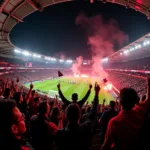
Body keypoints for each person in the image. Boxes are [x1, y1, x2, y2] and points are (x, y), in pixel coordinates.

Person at [101, 77, 150, 150]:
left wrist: (148, 84)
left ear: (120, 102)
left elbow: (105, 146)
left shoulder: (114, 122)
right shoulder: (139, 111)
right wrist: (148, 85)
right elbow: (148, 100)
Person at [55, 82, 100, 150]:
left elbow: (62, 97)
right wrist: (94, 92)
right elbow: (93, 112)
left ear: (66, 115)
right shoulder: (86, 128)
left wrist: (59, 89)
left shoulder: (60, 133)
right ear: (79, 115)